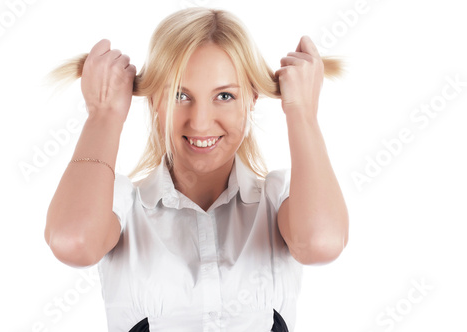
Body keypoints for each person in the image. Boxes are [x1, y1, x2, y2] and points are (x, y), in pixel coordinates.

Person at [44, 7, 349, 332]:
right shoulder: (120, 207)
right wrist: (103, 115)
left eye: (225, 95)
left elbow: (322, 242)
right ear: (153, 102)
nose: (200, 122)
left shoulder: (280, 200)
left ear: (252, 99)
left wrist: (302, 112)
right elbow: (73, 242)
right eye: (179, 95)